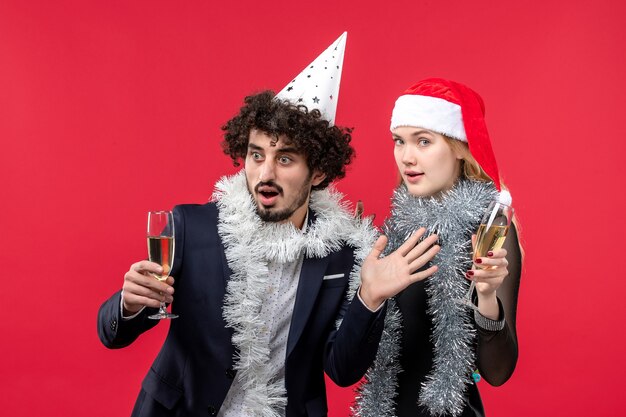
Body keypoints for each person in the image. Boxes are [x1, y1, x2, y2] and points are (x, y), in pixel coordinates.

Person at [97, 34, 439, 417]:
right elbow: (112, 335)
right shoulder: (192, 228)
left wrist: (369, 298)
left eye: (286, 159)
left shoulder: (341, 253)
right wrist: (128, 304)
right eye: (256, 155)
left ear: (319, 172)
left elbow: (341, 371)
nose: (265, 173)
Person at [353, 78, 522, 417]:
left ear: (459, 148)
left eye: (424, 141)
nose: (407, 156)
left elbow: (497, 372)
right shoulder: (395, 232)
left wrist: (487, 299)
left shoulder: (488, 230)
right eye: (399, 142)